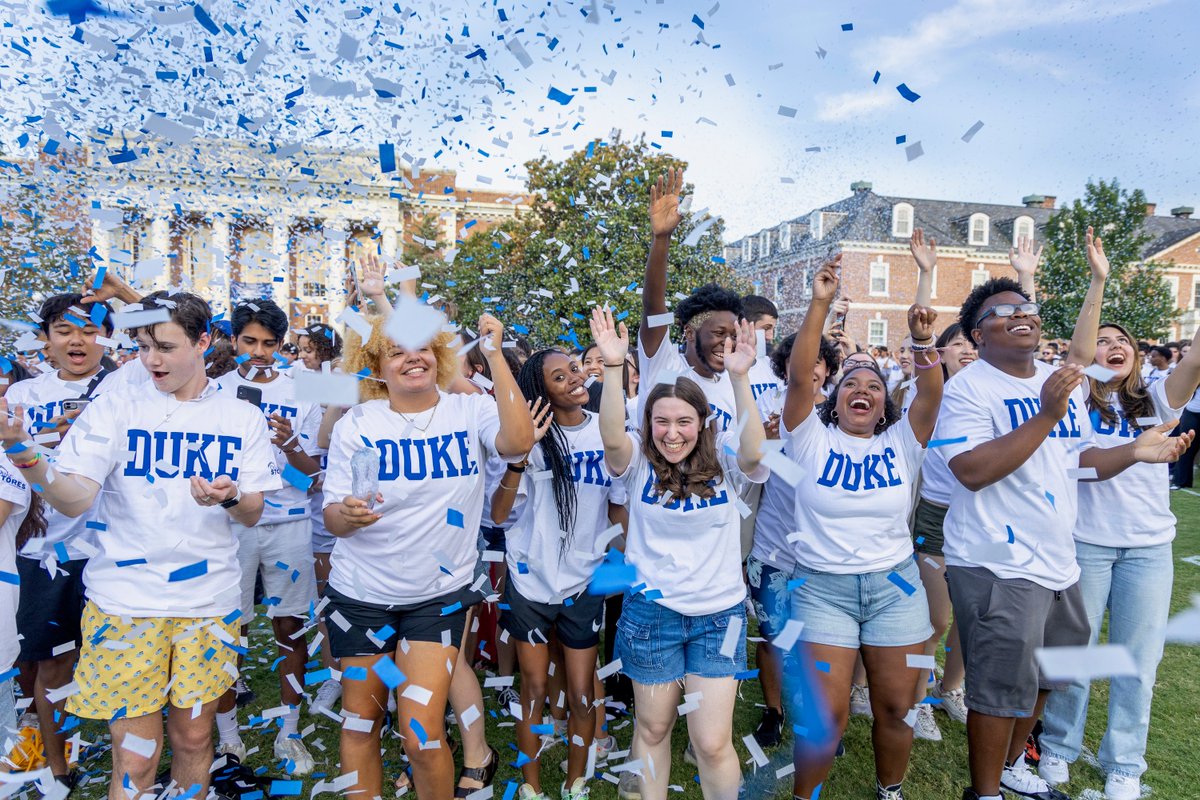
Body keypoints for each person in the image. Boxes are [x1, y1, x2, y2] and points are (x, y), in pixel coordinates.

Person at [936, 228, 1190, 800]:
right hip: (997, 562)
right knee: (999, 689)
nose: (1022, 314)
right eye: (1004, 312)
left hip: (1058, 560)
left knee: (1052, 674)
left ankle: (1006, 765)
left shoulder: (1062, 387)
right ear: (979, 334)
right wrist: (1045, 416)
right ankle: (985, 792)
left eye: (1026, 307)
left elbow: (1078, 462)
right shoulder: (971, 389)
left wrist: (1136, 451)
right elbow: (971, 470)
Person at [0, 290, 279, 800]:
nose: (152, 359)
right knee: (135, 752)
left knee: (195, 738)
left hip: (207, 602)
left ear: (203, 341)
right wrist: (23, 452)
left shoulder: (241, 418)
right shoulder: (115, 406)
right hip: (124, 602)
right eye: (144, 345)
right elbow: (73, 498)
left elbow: (253, 511)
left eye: (166, 347)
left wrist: (230, 495)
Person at [321, 311, 532, 799]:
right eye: (395, 351)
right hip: (360, 595)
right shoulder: (359, 422)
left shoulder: (469, 411)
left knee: (420, 730)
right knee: (360, 722)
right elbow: (333, 516)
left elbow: (519, 441)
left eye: (419, 348)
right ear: (376, 366)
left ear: (437, 354)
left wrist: (495, 355)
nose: (411, 358)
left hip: (436, 597)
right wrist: (346, 517)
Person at [780, 255, 942, 800]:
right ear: (834, 398)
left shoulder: (902, 442)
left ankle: (889, 790)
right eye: (853, 380)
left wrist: (923, 344)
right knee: (826, 717)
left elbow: (933, 393)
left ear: (883, 404)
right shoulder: (807, 437)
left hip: (895, 588)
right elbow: (802, 374)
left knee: (898, 707)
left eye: (874, 384)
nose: (864, 388)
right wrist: (820, 304)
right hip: (821, 590)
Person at [590, 305, 767, 800]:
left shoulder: (727, 459)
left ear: (702, 422)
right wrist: (610, 367)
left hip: (720, 615)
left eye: (684, 422)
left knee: (711, 743)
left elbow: (755, 452)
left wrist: (739, 378)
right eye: (661, 422)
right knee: (652, 731)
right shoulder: (637, 465)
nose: (672, 433)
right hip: (652, 615)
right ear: (647, 424)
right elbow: (609, 436)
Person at [1038, 322, 1200, 800]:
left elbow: (1194, 360)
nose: (1114, 348)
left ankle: (1125, 763)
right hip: (1085, 544)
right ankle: (1057, 747)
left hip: (1148, 549)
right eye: (1103, 342)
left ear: (1136, 353)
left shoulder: (1157, 398)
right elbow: (1079, 467)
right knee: (1076, 653)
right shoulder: (1072, 406)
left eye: (1123, 341)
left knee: (1138, 659)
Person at [489, 348, 623, 800]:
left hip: (583, 582)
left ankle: (576, 783)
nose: (575, 379)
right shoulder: (526, 440)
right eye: (559, 376)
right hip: (530, 582)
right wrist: (520, 456)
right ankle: (531, 787)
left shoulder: (606, 434)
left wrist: (615, 557)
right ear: (541, 391)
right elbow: (499, 515)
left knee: (583, 690)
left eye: (575, 369)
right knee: (534, 688)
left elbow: (618, 505)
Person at [4, 292, 117, 788]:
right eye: (64, 330)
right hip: (44, 553)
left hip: (113, 552)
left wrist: (120, 290)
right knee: (50, 664)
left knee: (121, 663)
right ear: (45, 339)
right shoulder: (22, 397)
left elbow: (169, 326)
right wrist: (34, 446)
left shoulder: (124, 386)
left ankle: (127, 761)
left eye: (90, 330)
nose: (78, 340)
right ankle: (56, 767)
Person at [213, 300, 323, 772]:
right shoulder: (213, 390)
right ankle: (228, 737)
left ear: (282, 346)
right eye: (249, 342)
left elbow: (314, 475)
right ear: (234, 340)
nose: (259, 353)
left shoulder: (305, 389)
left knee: (291, 627)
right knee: (226, 630)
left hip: (290, 524)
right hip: (229, 524)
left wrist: (289, 443)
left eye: (269, 344)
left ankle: (290, 730)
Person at [746, 332, 840, 750]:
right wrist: (765, 443)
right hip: (774, 546)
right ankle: (773, 710)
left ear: (829, 370)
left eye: (821, 360)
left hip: (826, 554)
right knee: (772, 634)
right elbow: (750, 467)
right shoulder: (766, 409)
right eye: (804, 360)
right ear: (787, 367)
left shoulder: (844, 412)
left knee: (821, 640)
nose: (812, 367)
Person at [907, 320, 978, 743]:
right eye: (957, 343)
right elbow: (922, 341)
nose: (967, 350)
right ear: (942, 352)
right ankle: (917, 701)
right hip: (935, 514)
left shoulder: (993, 390)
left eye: (972, 343)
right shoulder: (932, 396)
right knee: (935, 619)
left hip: (982, 513)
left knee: (971, 618)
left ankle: (952, 689)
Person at [638, 168, 743, 432]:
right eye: (719, 333)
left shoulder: (735, 384)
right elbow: (653, 308)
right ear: (689, 331)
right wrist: (662, 238)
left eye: (733, 335)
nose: (728, 343)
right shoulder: (665, 366)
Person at [742, 295, 782, 402]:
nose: (770, 336)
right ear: (744, 326)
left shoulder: (772, 366)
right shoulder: (722, 371)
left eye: (773, 329)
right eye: (765, 328)